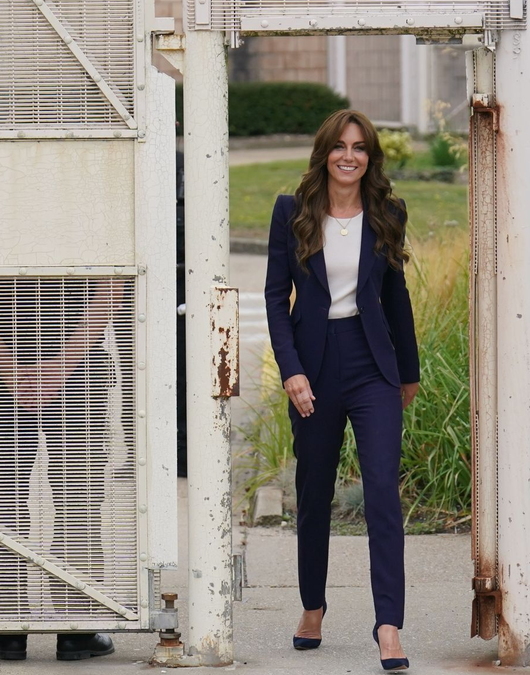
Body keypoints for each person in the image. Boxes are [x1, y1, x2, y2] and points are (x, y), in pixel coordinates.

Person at [264, 109, 419, 672]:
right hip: (315, 364)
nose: (349, 156)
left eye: (359, 148)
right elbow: (275, 300)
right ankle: (312, 605)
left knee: (382, 491)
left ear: (369, 158)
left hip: (373, 364)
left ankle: (388, 625)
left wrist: (409, 373)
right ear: (325, 152)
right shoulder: (293, 210)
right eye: (339, 147)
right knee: (313, 492)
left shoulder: (388, 211)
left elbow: (396, 296)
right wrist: (292, 371)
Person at [0, 276, 124, 661]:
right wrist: (65, 364)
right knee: (76, 497)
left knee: (4, 495)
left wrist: (4, 363)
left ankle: (9, 627)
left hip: (6, 358)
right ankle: (74, 626)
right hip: (77, 362)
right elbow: (109, 284)